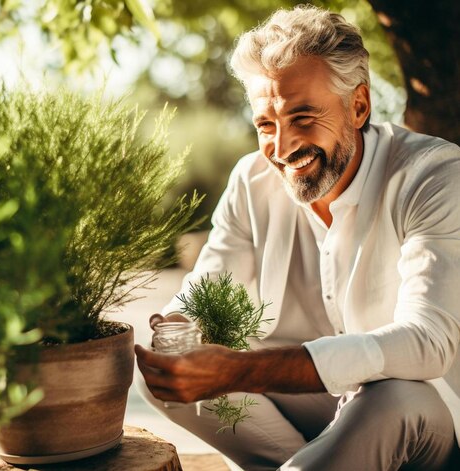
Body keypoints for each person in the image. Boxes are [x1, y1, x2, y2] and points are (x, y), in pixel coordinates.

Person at [134, 5, 460, 470]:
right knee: (163, 376)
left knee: (391, 395)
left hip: (420, 418)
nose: (282, 148)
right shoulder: (251, 181)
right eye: (266, 125)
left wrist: (239, 369)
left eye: (303, 117)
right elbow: (207, 287)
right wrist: (177, 331)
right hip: (313, 411)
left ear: (359, 105)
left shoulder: (434, 174)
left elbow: (428, 343)